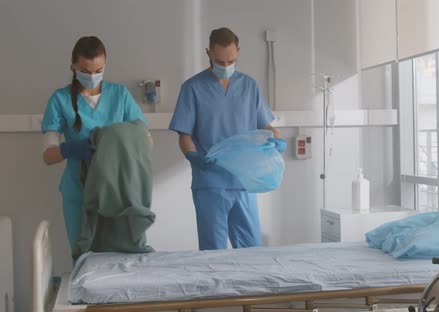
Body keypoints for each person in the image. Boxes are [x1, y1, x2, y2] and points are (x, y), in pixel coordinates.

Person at [169, 27, 286, 251]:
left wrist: (277, 140)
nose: (225, 66)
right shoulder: (193, 88)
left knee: (251, 251)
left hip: (244, 181)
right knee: (213, 253)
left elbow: (265, 125)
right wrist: (193, 156)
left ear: (238, 52)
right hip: (210, 182)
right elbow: (184, 134)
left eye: (230, 61)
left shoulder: (249, 86)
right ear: (208, 53)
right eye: (219, 61)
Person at [41, 36, 148, 251]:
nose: (93, 76)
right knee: (84, 256)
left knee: (121, 255)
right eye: (86, 71)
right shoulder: (60, 99)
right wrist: (70, 148)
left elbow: (145, 140)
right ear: (73, 65)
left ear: (105, 65)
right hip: (78, 191)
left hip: (117, 191)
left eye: (98, 70)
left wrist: (114, 145)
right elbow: (48, 156)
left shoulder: (120, 95)